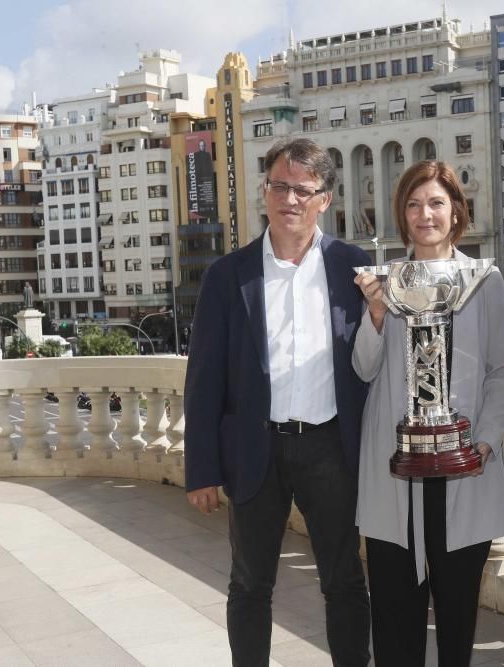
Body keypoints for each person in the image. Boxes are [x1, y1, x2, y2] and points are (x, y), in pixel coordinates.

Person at [184, 137, 371, 666]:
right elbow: (203, 380)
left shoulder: (353, 270)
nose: (290, 199)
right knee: (249, 584)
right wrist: (200, 469)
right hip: (254, 450)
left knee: (344, 580)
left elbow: (373, 364)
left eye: (303, 190)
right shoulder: (227, 276)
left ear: (325, 199)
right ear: (264, 192)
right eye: (279, 186)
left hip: (330, 449)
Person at [353, 160, 504, 666]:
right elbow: (363, 368)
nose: (426, 213)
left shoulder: (484, 282)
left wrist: (485, 441)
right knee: (395, 626)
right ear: (403, 215)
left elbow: (499, 371)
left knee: (456, 623)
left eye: (437, 202)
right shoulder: (384, 282)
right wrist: (376, 314)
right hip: (395, 470)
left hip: (462, 468)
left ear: (456, 211)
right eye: (414, 203)